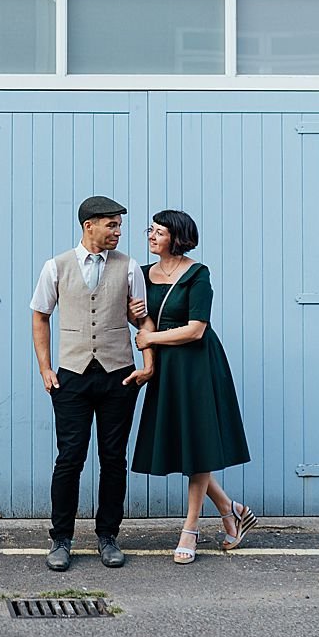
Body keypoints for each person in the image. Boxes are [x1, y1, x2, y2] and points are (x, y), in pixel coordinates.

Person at [30, 195, 152, 572]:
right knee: (70, 458)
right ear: (90, 226)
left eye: (119, 225)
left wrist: (147, 364)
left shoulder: (129, 267)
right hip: (72, 375)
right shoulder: (56, 266)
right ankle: (61, 539)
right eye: (111, 225)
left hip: (119, 374)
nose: (118, 232)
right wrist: (46, 369)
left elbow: (142, 324)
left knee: (114, 459)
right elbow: (39, 316)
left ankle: (108, 536)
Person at [132, 209, 254, 564]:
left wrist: (151, 335)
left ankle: (191, 528)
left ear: (177, 237)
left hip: (198, 364)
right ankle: (230, 511)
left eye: (158, 232)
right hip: (167, 366)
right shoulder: (142, 274)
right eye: (150, 231)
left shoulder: (199, 274)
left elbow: (196, 328)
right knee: (184, 443)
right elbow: (141, 319)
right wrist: (139, 325)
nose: (151, 236)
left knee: (198, 443)